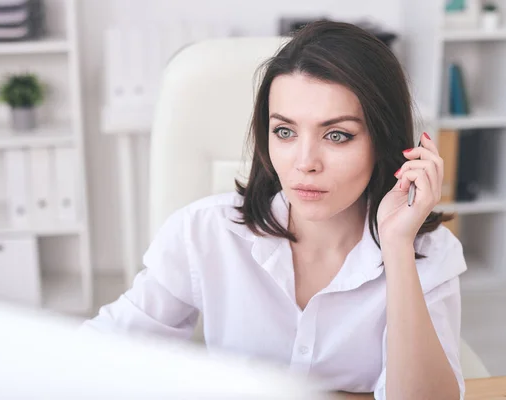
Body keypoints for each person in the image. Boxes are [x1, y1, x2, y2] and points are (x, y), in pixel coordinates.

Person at [83, 20, 466, 399]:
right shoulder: (202, 232)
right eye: (285, 131)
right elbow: (98, 352)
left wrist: (397, 248)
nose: (305, 162)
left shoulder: (430, 253)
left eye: (337, 135)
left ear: (383, 142)